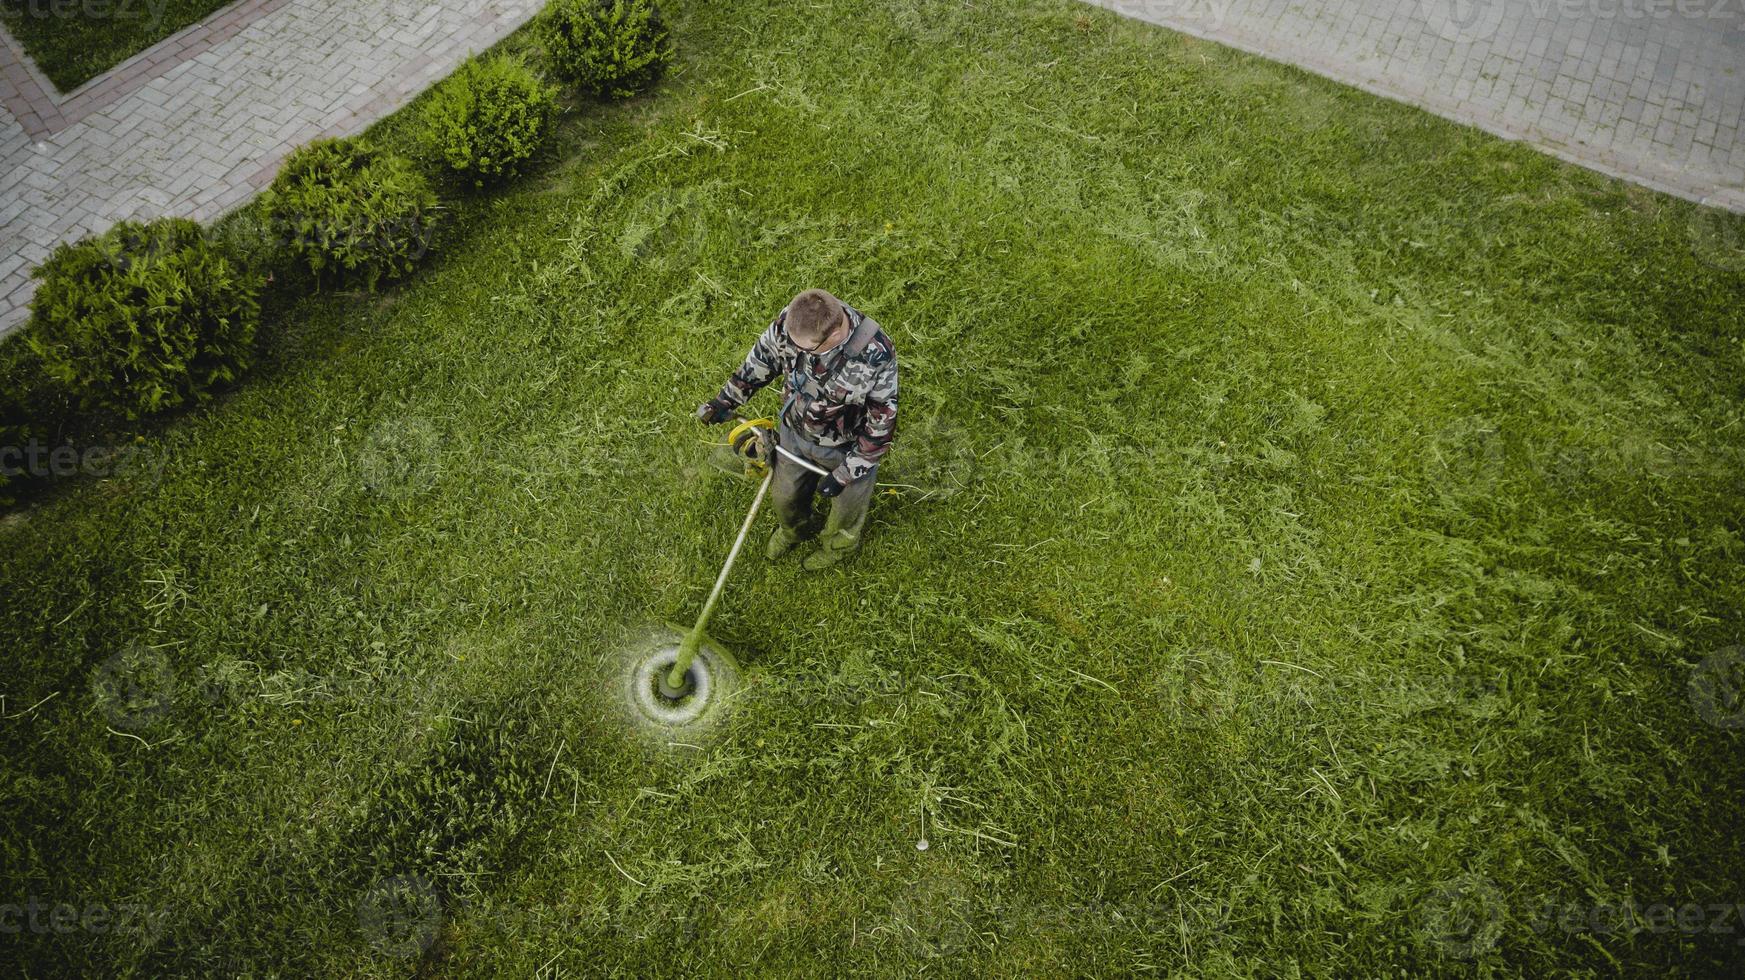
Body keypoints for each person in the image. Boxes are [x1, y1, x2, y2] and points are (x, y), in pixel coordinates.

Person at [697, 288, 898, 569]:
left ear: (835, 336)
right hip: (793, 434)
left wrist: (845, 473)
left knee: (846, 512)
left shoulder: (876, 354)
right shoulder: (795, 320)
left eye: (804, 349)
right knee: (784, 496)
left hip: (845, 447)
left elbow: (880, 423)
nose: (792, 349)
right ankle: (795, 531)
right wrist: (726, 400)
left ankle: (836, 548)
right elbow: (763, 358)